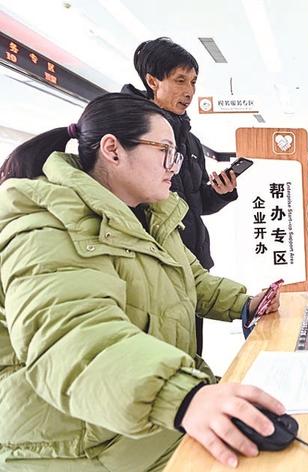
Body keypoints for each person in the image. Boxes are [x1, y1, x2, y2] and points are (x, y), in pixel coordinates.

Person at [0, 93, 282, 471]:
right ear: (113, 150)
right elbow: (72, 334)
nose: (174, 166)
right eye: (165, 151)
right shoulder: (45, 223)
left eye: (176, 155)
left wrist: (244, 303)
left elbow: (189, 278)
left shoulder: (148, 215)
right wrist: (181, 397)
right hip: (77, 445)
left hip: (140, 421)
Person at [121, 37, 238, 353]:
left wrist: (221, 193)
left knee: (192, 350)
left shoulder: (190, 141)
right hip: (155, 268)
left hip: (194, 265)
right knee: (163, 354)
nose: (189, 91)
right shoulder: (133, 136)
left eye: (194, 81)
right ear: (152, 81)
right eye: (180, 80)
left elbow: (196, 204)